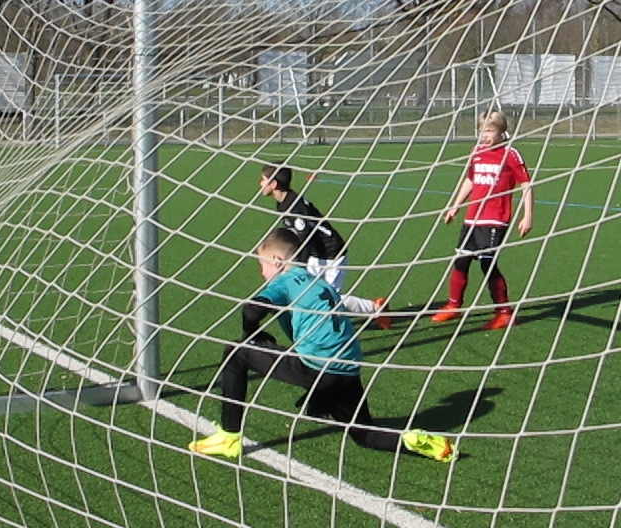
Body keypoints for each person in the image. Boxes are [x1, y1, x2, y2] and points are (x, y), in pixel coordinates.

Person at [187, 226, 454, 463]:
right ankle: (413, 440)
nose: (262, 272)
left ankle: (229, 437)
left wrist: (252, 334)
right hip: (348, 368)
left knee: (235, 352)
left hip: (318, 369)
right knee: (364, 434)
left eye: (262, 265)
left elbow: (251, 310)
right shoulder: (316, 280)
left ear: (277, 261)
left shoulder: (286, 280)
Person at [258, 164, 390, 328]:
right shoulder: (284, 203)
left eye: (263, 179)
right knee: (313, 296)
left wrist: (299, 266)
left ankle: (376, 308)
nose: (260, 183)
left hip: (331, 254)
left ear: (274, 184)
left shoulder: (294, 207)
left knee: (329, 299)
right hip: (316, 255)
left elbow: (305, 238)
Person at [434, 110, 534, 329]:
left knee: (487, 264)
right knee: (461, 260)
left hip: (495, 218)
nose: (486, 136)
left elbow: (526, 184)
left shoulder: (510, 154)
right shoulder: (477, 152)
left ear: (501, 131)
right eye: (483, 131)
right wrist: (455, 206)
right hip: (473, 217)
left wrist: (527, 216)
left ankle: (504, 312)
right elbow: (471, 179)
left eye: (490, 131)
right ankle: (454, 305)